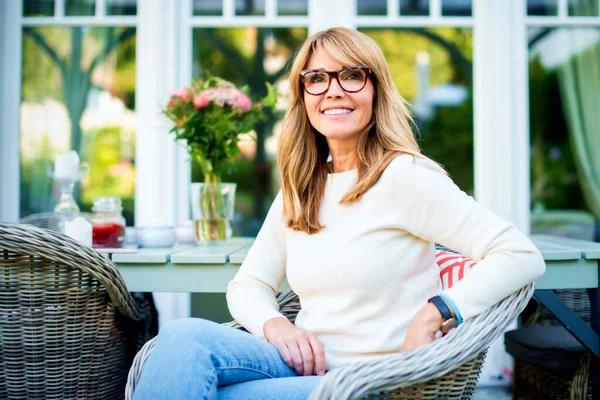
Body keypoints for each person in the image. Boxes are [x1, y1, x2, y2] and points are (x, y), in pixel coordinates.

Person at [132, 27, 545, 400]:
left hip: (371, 381)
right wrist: (278, 327)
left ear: (375, 90)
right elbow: (248, 284)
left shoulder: (404, 177)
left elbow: (519, 255)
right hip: (302, 366)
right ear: (304, 96)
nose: (333, 90)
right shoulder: (304, 184)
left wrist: (434, 312)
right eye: (317, 79)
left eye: (351, 75)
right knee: (182, 339)